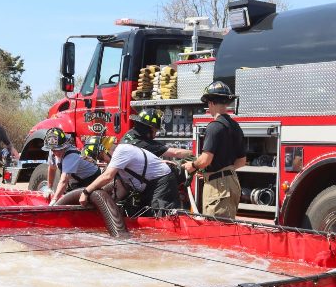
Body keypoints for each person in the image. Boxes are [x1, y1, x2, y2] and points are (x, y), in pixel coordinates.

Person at [182, 81, 246, 218]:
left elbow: (205, 159)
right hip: (232, 183)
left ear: (211, 103)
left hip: (219, 188)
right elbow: (241, 161)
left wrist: (192, 165)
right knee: (227, 226)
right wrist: (214, 171)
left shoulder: (214, 127)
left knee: (216, 227)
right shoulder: (235, 126)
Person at [79, 137, 180, 214]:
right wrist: (111, 206)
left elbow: (107, 176)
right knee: (140, 213)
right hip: (148, 187)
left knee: (160, 214)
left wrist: (86, 192)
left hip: (162, 182)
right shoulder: (118, 163)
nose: (103, 161)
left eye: (101, 158)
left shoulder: (121, 151)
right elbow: (122, 191)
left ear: (104, 150)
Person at [42, 128, 101, 205]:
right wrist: (49, 188)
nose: (56, 152)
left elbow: (64, 180)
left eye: (59, 149)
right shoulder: (52, 150)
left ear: (64, 145)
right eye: (53, 150)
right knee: (67, 196)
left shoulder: (71, 154)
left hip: (91, 178)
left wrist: (55, 200)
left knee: (83, 201)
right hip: (76, 177)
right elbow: (52, 168)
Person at [122, 109, 193, 159]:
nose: (155, 136)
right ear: (148, 129)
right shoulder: (144, 144)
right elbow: (176, 153)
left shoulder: (130, 134)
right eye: (155, 131)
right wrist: (197, 155)